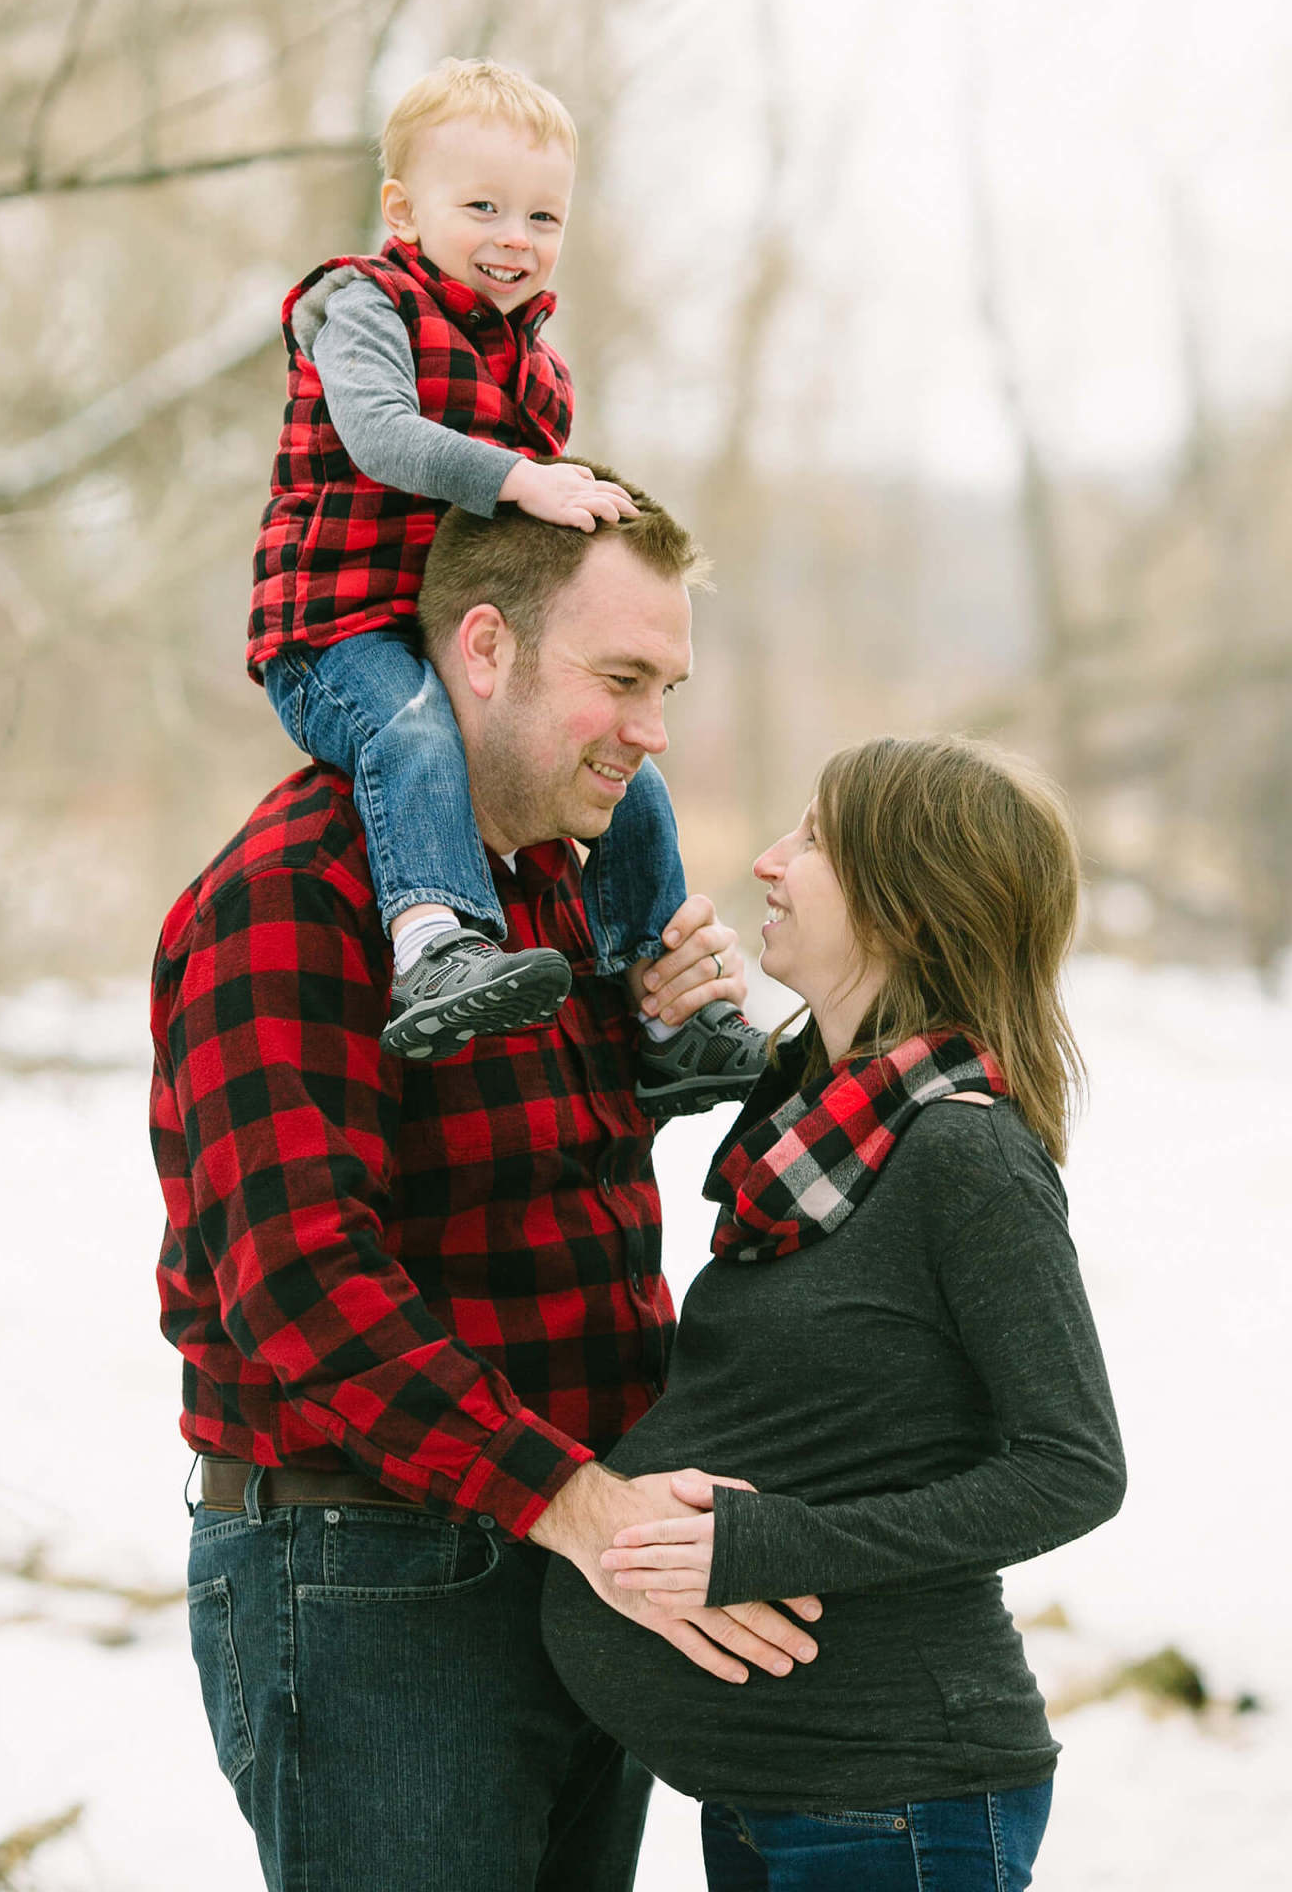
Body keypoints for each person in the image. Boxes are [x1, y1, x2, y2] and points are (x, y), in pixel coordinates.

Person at [152, 480, 824, 1892]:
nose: (652, 733)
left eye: (670, 687)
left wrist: (666, 1043)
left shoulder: (559, 893)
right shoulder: (298, 890)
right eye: (621, 680)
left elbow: (530, 1195)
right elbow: (302, 1290)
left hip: (571, 1553)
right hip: (373, 1577)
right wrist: (584, 1507)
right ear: (483, 648)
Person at [542, 735, 1128, 1892]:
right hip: (787, 1792)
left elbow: (1073, 1467)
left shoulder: (963, 1154)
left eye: (812, 841)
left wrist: (778, 1543)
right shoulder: (819, 1120)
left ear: (906, 905)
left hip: (896, 1798)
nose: (768, 861)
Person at [247, 52, 763, 1102]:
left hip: (434, 624)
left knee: (637, 783)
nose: (514, 239)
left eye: (542, 218)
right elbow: (384, 438)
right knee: (413, 731)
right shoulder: (363, 308)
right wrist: (524, 478)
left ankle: (655, 1000)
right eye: (481, 207)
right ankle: (436, 945)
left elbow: (526, 550)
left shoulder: (537, 369)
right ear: (403, 208)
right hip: (332, 632)